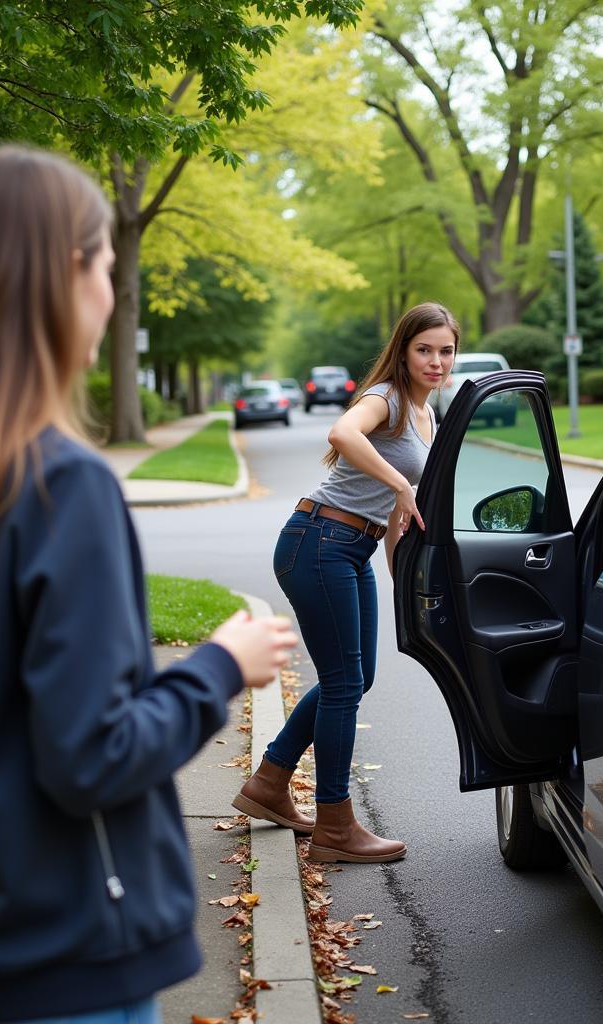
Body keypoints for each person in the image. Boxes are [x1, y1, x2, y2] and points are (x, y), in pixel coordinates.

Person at [0, 145, 298, 1024]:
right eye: (105, 263)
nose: (112, 291)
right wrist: (222, 665)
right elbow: (92, 756)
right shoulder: (64, 488)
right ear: (70, 273)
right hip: (68, 957)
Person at [233, 302, 459, 864]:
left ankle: (269, 782)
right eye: (423, 349)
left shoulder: (427, 416)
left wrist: (399, 574)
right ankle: (335, 825)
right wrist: (401, 488)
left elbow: (390, 514)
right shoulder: (384, 397)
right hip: (318, 542)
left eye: (445, 350)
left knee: (359, 677)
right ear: (403, 352)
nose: (435, 361)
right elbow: (343, 432)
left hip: (350, 549)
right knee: (342, 684)